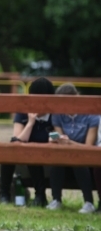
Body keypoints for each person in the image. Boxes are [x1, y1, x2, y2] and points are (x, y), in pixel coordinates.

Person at [0, 77, 53, 206]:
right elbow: (17, 141)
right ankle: (4, 194)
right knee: (9, 150)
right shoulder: (23, 112)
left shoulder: (55, 115)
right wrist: (30, 123)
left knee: (32, 151)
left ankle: (40, 196)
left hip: (48, 155)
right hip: (26, 154)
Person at [48, 83, 98, 213]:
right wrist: (57, 140)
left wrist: (70, 143)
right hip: (65, 153)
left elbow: (89, 146)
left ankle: (88, 202)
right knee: (57, 158)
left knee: (77, 158)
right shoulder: (58, 115)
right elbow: (60, 139)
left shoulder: (91, 114)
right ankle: (56, 199)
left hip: (85, 155)